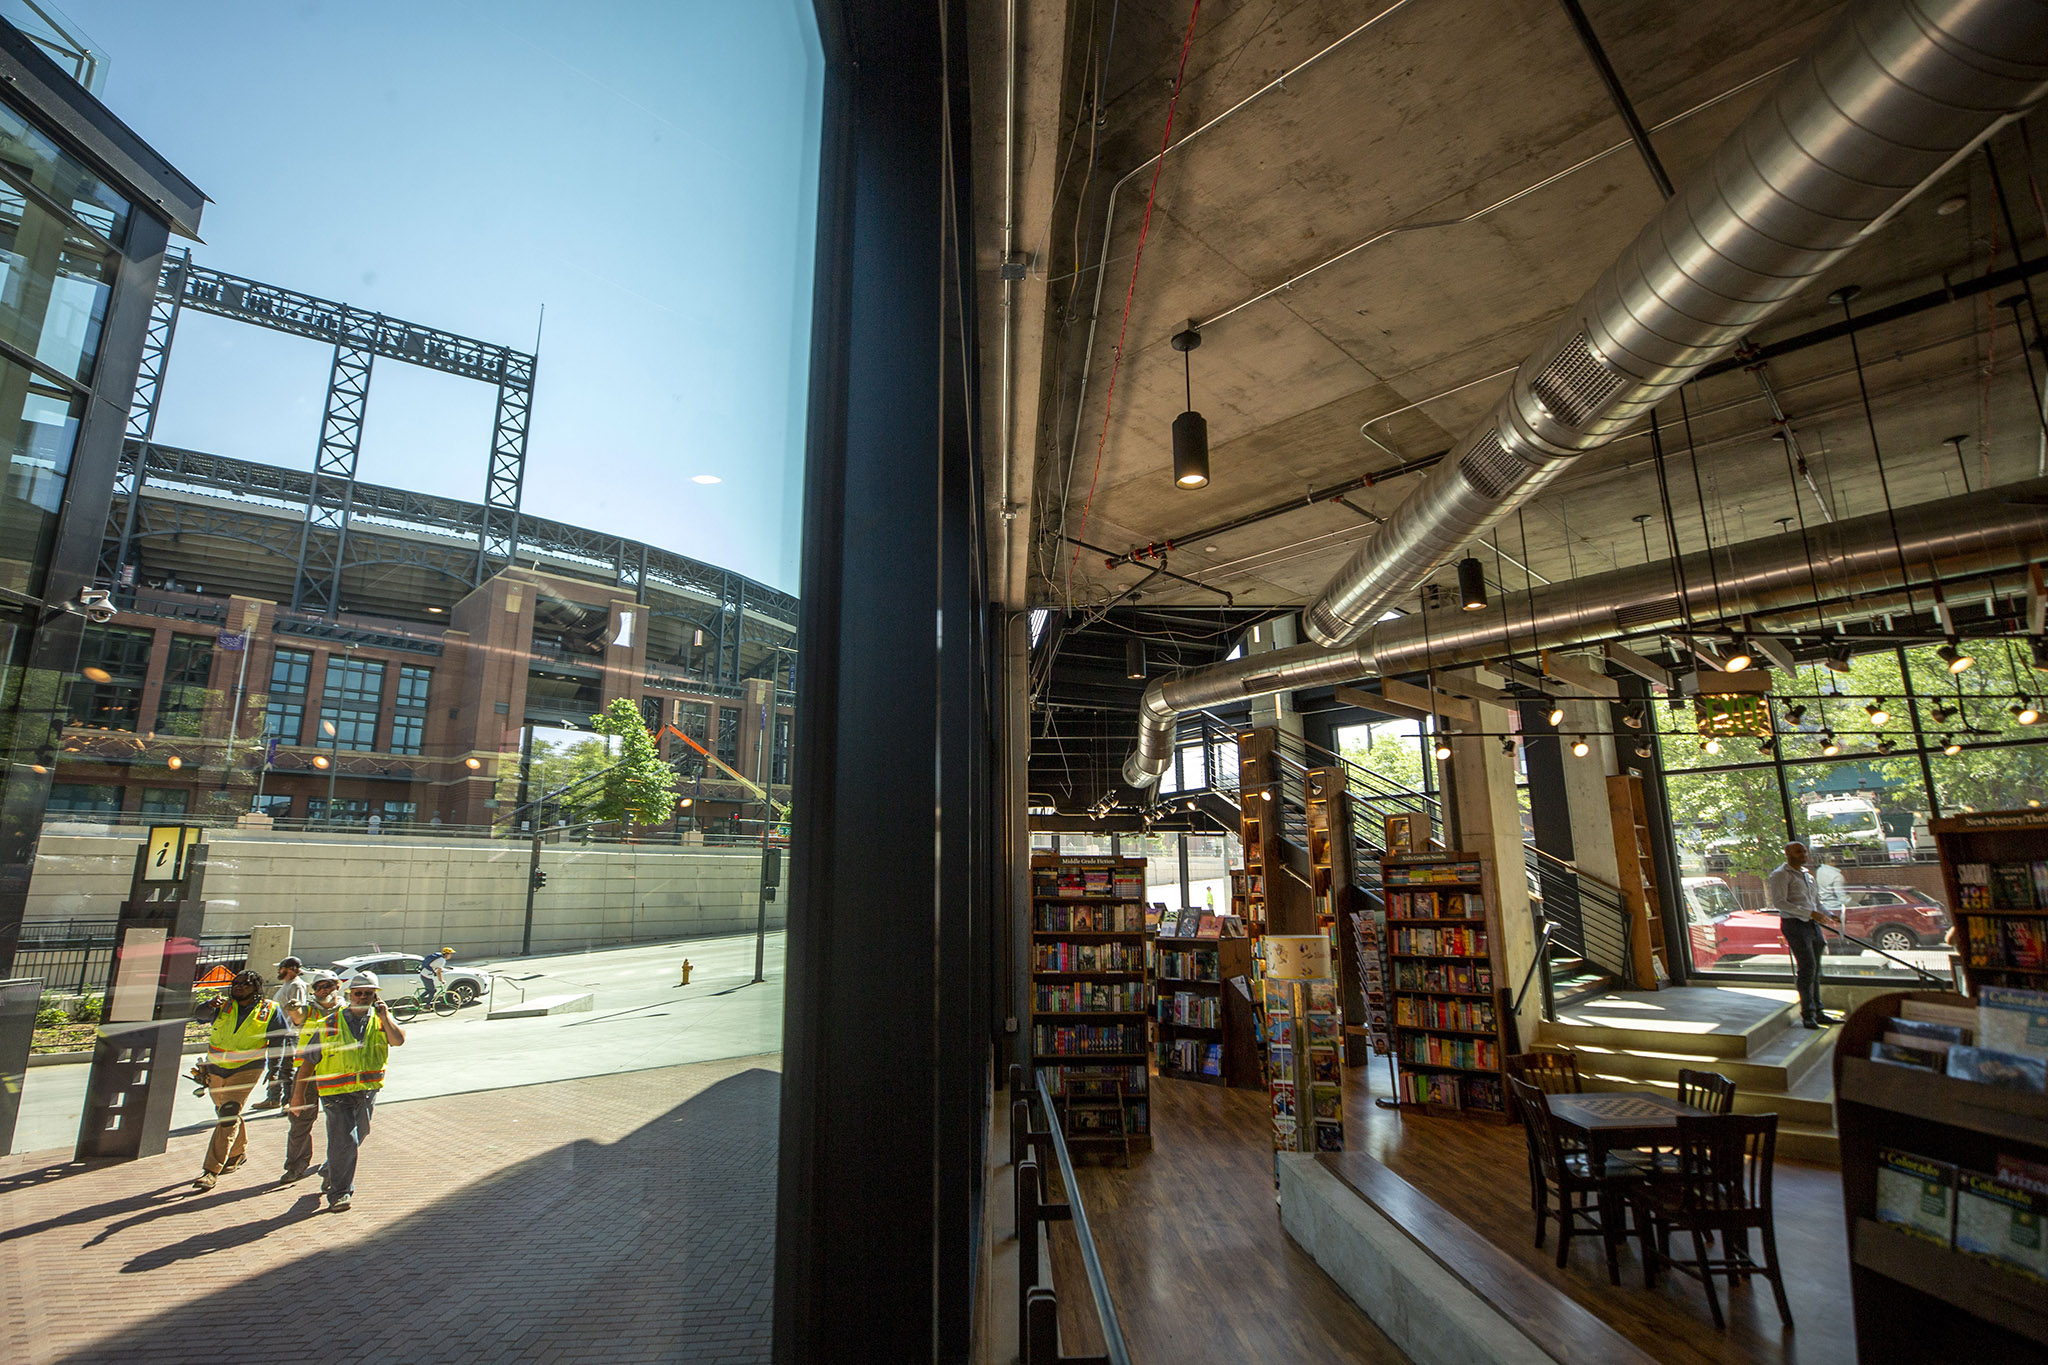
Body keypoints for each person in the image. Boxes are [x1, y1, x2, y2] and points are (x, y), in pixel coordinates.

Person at [293, 970, 405, 1212]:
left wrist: (386, 1018)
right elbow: (308, 1063)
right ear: (350, 995)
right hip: (335, 1092)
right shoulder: (330, 1023)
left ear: (375, 996)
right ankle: (340, 1193)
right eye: (358, 993)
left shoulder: (380, 1019)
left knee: (360, 1132)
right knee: (345, 1139)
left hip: (367, 1090)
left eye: (368, 993)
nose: (363, 997)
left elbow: (397, 1041)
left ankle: (330, 1169)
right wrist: (297, 1095)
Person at [190, 969, 289, 1192]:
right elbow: (199, 1016)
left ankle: (211, 1170)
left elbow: (278, 1042)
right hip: (216, 1067)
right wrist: (208, 1005)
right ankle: (237, 1153)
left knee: (228, 1113)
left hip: (247, 1068)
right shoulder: (222, 1005)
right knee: (225, 1112)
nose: (239, 986)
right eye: (236, 983)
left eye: (245, 984)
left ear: (256, 987)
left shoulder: (269, 1010)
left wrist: (274, 1071)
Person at [1767, 842, 1843, 1030]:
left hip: (1811, 924)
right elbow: (1780, 903)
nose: (1803, 854)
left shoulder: (1807, 876)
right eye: (1798, 851)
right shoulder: (1780, 875)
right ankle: (1807, 1014)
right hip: (1795, 925)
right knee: (1807, 967)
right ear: (1787, 853)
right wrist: (1809, 913)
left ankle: (1818, 1011)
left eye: (1804, 851)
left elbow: (1816, 902)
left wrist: (1829, 915)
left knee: (1815, 968)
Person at [279, 970, 341, 1185]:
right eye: (319, 987)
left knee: (339, 1124)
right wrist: (293, 1009)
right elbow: (297, 1016)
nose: (323, 990)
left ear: (338, 986)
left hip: (338, 1071)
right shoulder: (308, 1011)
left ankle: (334, 1167)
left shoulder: (346, 1010)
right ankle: (295, 1166)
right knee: (299, 1121)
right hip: (308, 1073)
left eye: (328, 985)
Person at [253, 956, 312, 1111]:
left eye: (281, 968)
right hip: (280, 1032)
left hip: (289, 1033)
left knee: (286, 1068)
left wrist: (290, 1029)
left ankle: (288, 1100)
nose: (278, 971)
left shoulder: (296, 985)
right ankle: (273, 1098)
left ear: (290, 969)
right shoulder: (287, 985)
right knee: (275, 1067)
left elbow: (296, 1009)